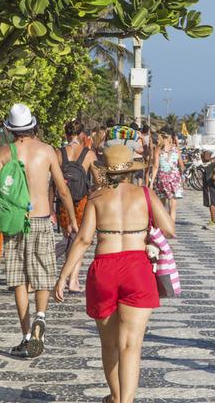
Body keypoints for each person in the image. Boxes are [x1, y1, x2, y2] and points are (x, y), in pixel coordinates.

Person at [54, 144, 175, 403]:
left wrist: (64, 276)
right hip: (137, 269)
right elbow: (170, 229)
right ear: (130, 170)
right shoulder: (144, 194)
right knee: (131, 345)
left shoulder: (97, 198)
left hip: (104, 269)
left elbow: (84, 239)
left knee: (109, 345)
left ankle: (116, 397)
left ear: (106, 171)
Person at [0, 104, 78, 358]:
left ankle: (26, 336)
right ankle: (41, 318)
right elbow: (63, 189)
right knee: (43, 274)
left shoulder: (5, 152)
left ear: (10, 130)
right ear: (33, 126)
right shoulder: (47, 151)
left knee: (19, 280)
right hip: (41, 220)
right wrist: (70, 219)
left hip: (15, 222)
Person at [56, 119, 98, 293]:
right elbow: (98, 180)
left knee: (69, 239)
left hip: (62, 203)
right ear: (82, 135)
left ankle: (65, 275)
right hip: (82, 202)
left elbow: (53, 182)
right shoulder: (89, 154)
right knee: (79, 240)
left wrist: (52, 209)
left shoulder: (58, 153)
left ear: (66, 134)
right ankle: (73, 280)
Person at [149, 128, 185, 223]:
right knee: (172, 205)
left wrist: (151, 182)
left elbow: (156, 166)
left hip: (162, 178)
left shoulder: (158, 149)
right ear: (170, 137)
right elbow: (181, 166)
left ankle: (163, 227)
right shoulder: (176, 149)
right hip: (174, 178)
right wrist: (182, 177)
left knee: (162, 205)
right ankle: (171, 228)